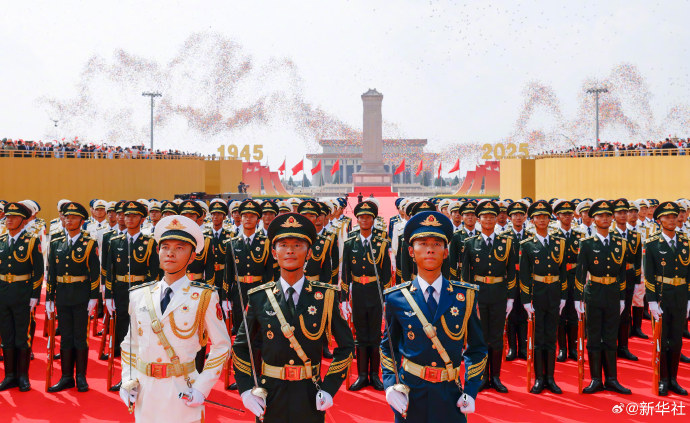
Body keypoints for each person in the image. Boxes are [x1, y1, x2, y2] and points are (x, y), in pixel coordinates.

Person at [235, 213, 354, 423]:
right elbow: (241, 347)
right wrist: (246, 389)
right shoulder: (259, 297)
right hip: (270, 394)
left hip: (309, 393)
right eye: (283, 245)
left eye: (297, 245)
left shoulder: (325, 296)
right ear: (274, 253)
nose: (290, 250)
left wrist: (329, 388)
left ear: (309, 253)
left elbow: (346, 347)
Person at [118, 215, 231, 422]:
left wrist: (202, 388)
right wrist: (128, 379)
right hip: (145, 392)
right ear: (158, 251)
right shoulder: (139, 294)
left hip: (182, 390)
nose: (170, 253)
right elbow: (130, 344)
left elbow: (222, 345)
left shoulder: (204, 297)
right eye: (165, 247)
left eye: (179, 248)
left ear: (192, 257)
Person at [381, 210, 487, 422]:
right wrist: (390, 385)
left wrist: (471, 390)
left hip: (450, 394)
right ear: (411, 251)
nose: (430, 249)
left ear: (446, 252)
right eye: (422, 243)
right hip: (410, 394)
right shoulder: (396, 298)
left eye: (437, 244)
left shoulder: (464, 296)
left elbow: (477, 349)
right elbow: (388, 347)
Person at [575, 200, 632, 394]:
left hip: (613, 293)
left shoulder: (620, 243)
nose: (605, 218)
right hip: (594, 292)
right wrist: (578, 299)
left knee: (610, 336)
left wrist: (622, 297)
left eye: (608, 215)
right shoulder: (587, 243)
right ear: (594, 219)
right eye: (601, 216)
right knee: (593, 337)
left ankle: (612, 379)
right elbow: (580, 273)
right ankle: (596, 379)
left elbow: (622, 272)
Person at [104, 201, 162, 391]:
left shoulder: (150, 242)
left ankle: (143, 377)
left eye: (134, 216)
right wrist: (109, 295)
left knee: (142, 336)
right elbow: (110, 270)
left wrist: (152, 295)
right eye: (126, 215)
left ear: (142, 219)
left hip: (142, 292)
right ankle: (126, 377)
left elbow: (154, 272)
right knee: (124, 337)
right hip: (121, 292)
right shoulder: (115, 241)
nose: (129, 219)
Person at [461, 200, 516, 393]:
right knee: (481, 337)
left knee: (497, 336)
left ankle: (496, 377)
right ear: (479, 219)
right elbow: (465, 275)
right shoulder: (470, 243)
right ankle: (483, 376)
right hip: (479, 295)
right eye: (485, 217)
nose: (489, 220)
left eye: (492, 217)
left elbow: (511, 272)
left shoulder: (506, 242)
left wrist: (510, 298)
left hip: (499, 294)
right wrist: (469, 297)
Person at [45, 202, 100, 393]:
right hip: (62, 295)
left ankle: (81, 376)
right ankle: (66, 376)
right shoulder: (56, 242)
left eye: (73, 217)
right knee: (65, 337)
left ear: (81, 221)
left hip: (81, 295)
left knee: (80, 337)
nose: (68, 220)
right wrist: (49, 297)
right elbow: (51, 272)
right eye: (66, 217)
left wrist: (94, 297)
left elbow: (95, 272)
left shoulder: (89, 243)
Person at [340, 201, 392, 391]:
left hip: (375, 292)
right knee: (360, 334)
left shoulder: (381, 243)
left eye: (368, 217)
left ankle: (374, 375)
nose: (364, 220)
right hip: (358, 294)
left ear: (373, 220)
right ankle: (362, 375)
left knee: (375, 334)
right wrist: (343, 298)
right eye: (361, 217)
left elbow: (386, 274)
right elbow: (345, 272)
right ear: (357, 220)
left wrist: (387, 299)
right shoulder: (349, 243)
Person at [519, 200, 566, 394]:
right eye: (538, 217)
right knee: (538, 338)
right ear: (532, 220)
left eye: (545, 216)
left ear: (549, 219)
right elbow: (524, 275)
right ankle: (539, 378)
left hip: (554, 293)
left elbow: (563, 271)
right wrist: (525, 300)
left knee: (551, 337)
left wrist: (563, 296)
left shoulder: (559, 242)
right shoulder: (527, 245)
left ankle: (551, 378)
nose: (542, 220)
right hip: (537, 294)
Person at [644, 201, 690, 395]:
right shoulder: (652, 243)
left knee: (677, 339)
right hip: (662, 296)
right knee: (662, 340)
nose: (672, 220)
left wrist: (689, 299)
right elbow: (649, 275)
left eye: (674, 216)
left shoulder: (685, 242)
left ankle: (673, 379)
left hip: (680, 295)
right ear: (659, 220)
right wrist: (652, 301)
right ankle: (663, 379)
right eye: (667, 217)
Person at [0, 202, 44, 392]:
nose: (9, 220)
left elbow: (38, 271)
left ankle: (23, 376)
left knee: (22, 336)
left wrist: (34, 295)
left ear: (23, 220)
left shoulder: (32, 241)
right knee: (6, 335)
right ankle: (9, 375)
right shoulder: (1, 240)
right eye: (7, 217)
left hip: (22, 293)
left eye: (14, 217)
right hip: (3, 293)